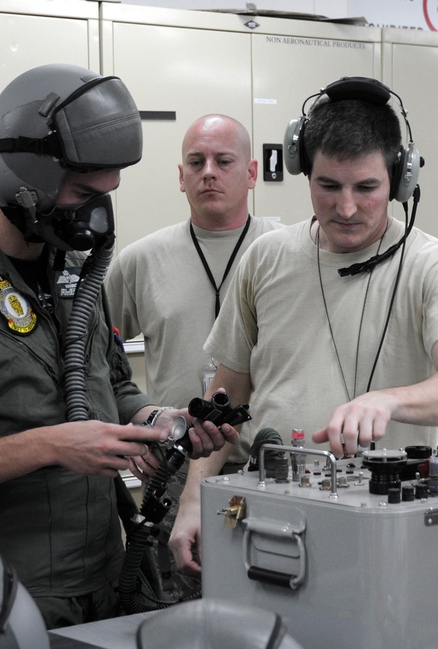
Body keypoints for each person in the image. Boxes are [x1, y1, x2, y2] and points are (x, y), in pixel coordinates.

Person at [0, 64, 235, 630]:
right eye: (84, 194)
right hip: (13, 596)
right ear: (26, 177)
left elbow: (109, 383)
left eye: (107, 193)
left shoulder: (72, 274)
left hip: (109, 579)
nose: (97, 216)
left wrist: (156, 419)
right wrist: (52, 445)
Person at [168, 76, 438, 576]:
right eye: (328, 186)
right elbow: (227, 393)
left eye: (366, 188)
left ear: (400, 179)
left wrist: (388, 400)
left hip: (383, 525)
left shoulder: (437, 268)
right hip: (269, 516)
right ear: (304, 172)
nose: (345, 208)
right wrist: (194, 499)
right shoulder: (267, 257)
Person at [105, 115, 281, 600]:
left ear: (250, 173)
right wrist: (130, 429)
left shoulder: (287, 252)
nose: (208, 172)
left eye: (223, 162)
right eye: (195, 162)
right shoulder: (141, 260)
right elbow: (93, 359)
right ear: (180, 176)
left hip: (271, 466)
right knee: (177, 616)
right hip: (176, 470)